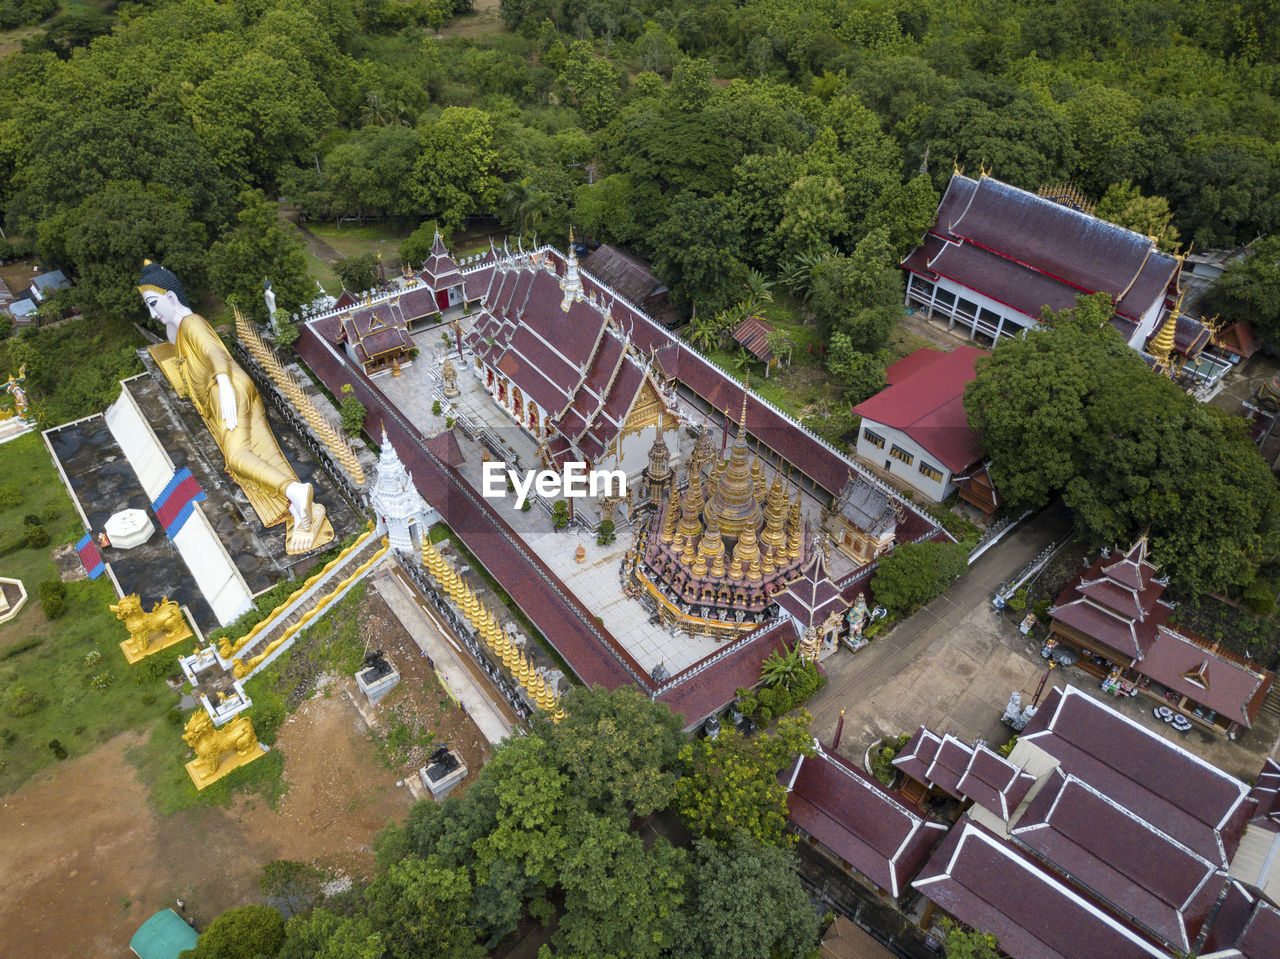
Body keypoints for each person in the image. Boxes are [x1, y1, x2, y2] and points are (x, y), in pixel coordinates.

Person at [137, 261, 326, 543]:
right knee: (255, 451)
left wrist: (223, 385)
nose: (151, 314)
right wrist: (169, 313)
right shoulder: (185, 323)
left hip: (228, 389)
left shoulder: (193, 323)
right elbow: (174, 341)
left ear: (172, 298)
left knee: (237, 457)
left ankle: (295, 492)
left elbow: (215, 352)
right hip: (234, 387)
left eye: (154, 304)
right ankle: (297, 505)